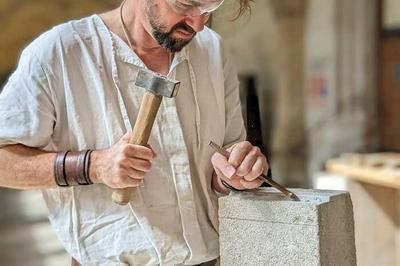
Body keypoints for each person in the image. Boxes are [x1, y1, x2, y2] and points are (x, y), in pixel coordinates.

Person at [0, 0, 268, 265]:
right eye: (185, 5)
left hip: (211, 260)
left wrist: (236, 172)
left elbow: (222, 163)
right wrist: (94, 166)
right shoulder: (59, 52)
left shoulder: (212, 49)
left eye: (208, 10)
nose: (197, 24)